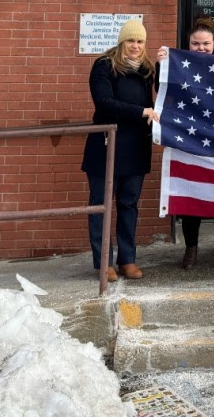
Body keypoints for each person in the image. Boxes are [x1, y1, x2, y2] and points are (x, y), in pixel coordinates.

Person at [157, 18, 214, 272]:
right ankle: (191, 250)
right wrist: (161, 66)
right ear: (188, 44)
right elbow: (161, 94)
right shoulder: (177, 65)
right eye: (196, 43)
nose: (201, 48)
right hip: (188, 141)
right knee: (190, 197)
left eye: (206, 43)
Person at [83, 18, 159, 281]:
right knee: (102, 205)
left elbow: (173, 88)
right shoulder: (104, 66)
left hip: (136, 148)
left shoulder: (148, 69)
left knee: (129, 204)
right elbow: (104, 103)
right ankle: (103, 262)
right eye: (131, 40)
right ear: (121, 42)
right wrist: (140, 112)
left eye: (140, 41)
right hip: (106, 146)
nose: (135, 46)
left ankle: (127, 259)